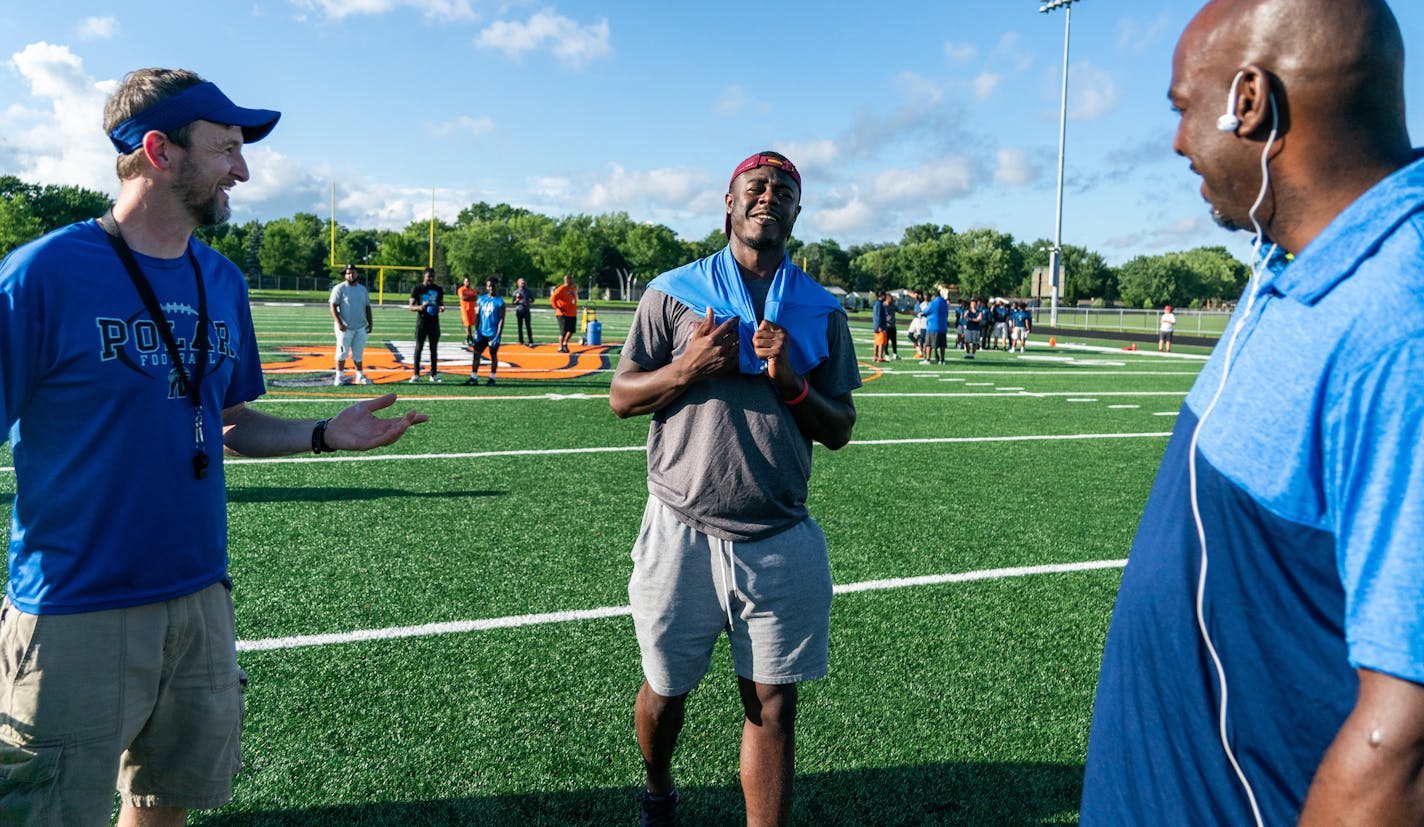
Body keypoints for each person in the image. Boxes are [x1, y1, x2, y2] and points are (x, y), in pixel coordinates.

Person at [0, 67, 428, 827]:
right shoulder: (41, 276)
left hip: (199, 595)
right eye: (226, 147)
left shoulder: (219, 279)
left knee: (166, 805)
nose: (244, 169)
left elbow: (227, 419)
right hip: (74, 609)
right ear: (160, 152)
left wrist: (324, 434)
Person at [1080, 1, 1424, 824]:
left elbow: (1404, 746)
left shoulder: (1403, 319)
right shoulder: (1294, 246)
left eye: (1179, 109)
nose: (1173, 141)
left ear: (1249, 100)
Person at [609, 151, 859, 827]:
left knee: (772, 706)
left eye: (784, 190)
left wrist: (793, 382)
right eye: (757, 185)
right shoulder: (672, 292)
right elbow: (622, 397)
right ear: (729, 201)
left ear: (796, 213)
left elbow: (839, 427)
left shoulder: (820, 310)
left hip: (779, 533)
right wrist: (687, 367)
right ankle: (659, 788)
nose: (769, 196)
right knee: (666, 689)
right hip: (679, 526)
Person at [330, 263, 373, 385]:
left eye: (353, 272)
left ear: (356, 273)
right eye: (348, 273)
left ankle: (360, 376)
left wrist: (370, 323)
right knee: (342, 352)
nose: (351, 275)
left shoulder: (362, 289)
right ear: (345, 275)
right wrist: (339, 322)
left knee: (358, 354)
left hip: (360, 327)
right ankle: (339, 376)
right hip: (345, 327)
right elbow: (333, 306)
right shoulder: (339, 288)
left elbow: (367, 307)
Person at [463, 277, 506, 386]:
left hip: (493, 333)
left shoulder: (500, 302)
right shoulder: (481, 300)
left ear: (497, 286)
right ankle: (474, 377)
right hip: (482, 332)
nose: (491, 288)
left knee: (493, 355)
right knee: (476, 354)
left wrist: (498, 335)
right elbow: (477, 316)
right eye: (489, 285)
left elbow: (501, 319)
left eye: (493, 285)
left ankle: (492, 378)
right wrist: (476, 330)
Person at [408, 267, 444, 382]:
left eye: (433, 277)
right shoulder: (417, 288)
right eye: (429, 276)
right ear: (424, 276)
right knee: (419, 348)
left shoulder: (438, 289)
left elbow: (441, 304)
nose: (431, 279)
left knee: (434, 349)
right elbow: (411, 306)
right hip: (422, 322)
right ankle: (416, 374)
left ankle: (433, 374)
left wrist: (441, 308)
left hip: (434, 322)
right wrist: (421, 307)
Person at [550, 273, 578, 352]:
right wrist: (557, 307)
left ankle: (565, 343)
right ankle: (560, 347)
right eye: (571, 279)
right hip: (563, 314)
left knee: (571, 331)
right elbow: (552, 299)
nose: (573, 280)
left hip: (572, 313)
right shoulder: (561, 289)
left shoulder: (572, 288)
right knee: (563, 331)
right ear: (567, 280)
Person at [919, 291, 948, 365]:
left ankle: (928, 359)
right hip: (943, 327)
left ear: (933, 296)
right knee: (942, 346)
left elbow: (925, 311)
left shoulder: (933, 303)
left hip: (933, 327)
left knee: (928, 344)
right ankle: (942, 360)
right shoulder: (945, 303)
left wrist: (922, 314)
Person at [512, 276, 535, 345]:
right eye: (521, 283)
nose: (523, 284)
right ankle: (521, 340)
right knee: (520, 326)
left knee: (528, 325)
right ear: (518, 283)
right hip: (519, 310)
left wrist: (528, 301)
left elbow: (533, 299)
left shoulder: (528, 291)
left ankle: (530, 339)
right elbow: (513, 303)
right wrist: (517, 300)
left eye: (524, 283)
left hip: (526, 310)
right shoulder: (515, 292)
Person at [458, 276, 479, 345]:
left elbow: (475, 297)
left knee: (471, 324)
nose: (468, 283)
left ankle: (469, 337)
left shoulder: (473, 290)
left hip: (472, 309)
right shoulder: (461, 289)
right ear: (464, 282)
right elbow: (463, 298)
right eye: (466, 281)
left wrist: (468, 297)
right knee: (467, 324)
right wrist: (471, 298)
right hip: (465, 309)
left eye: (469, 281)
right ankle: (469, 338)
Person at [870, 290, 887, 362]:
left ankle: (875, 356)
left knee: (876, 342)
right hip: (880, 325)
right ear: (882, 296)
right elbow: (878, 315)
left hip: (876, 325)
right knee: (881, 342)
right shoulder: (879, 304)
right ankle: (880, 357)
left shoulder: (876, 303)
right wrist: (880, 325)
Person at [882, 291, 899, 359]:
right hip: (886, 326)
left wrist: (909, 312)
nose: (891, 300)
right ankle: (886, 354)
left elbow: (899, 311)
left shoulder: (893, 305)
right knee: (886, 341)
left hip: (893, 325)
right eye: (890, 298)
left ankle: (895, 354)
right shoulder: (883, 305)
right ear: (887, 298)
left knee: (894, 341)